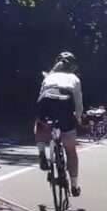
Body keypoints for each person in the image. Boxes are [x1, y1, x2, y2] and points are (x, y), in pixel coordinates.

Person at [35, 52, 83, 197]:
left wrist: (41, 117)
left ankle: (42, 153)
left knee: (39, 122)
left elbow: (40, 97)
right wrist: (78, 118)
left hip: (46, 100)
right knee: (71, 151)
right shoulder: (74, 78)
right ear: (73, 67)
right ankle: (74, 186)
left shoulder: (49, 77)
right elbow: (78, 105)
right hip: (65, 104)